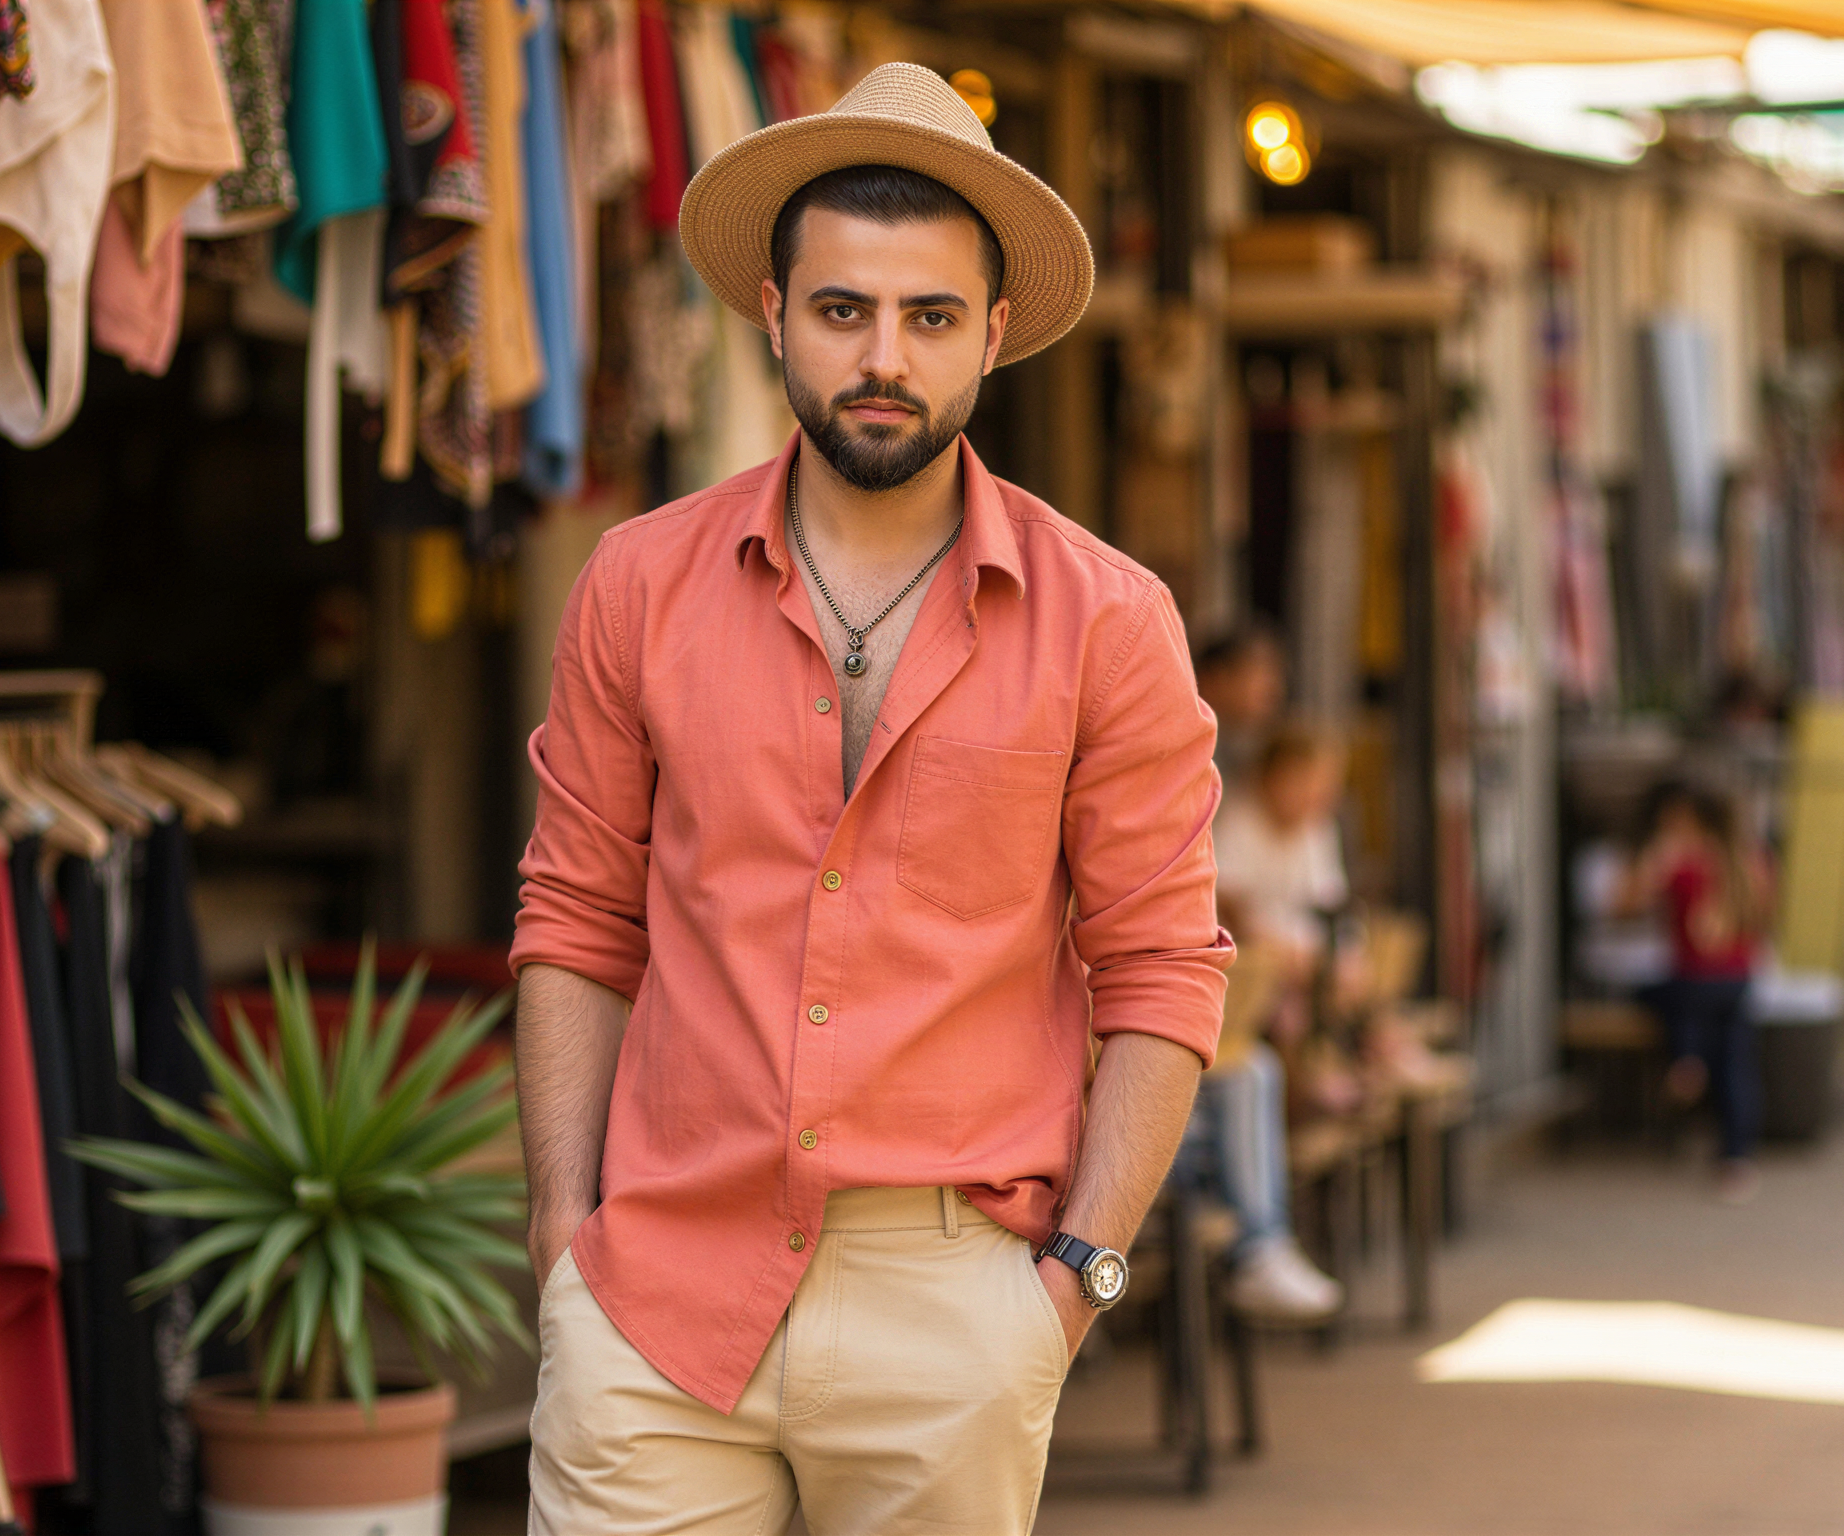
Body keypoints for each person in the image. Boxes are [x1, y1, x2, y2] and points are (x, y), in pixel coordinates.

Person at [509, 64, 1232, 1535]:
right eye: (843, 311)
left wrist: (1072, 1287)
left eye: (929, 316)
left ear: (996, 332)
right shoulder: (637, 586)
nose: (883, 356)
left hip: (954, 1305)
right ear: (773, 315)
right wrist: (562, 1240)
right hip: (656, 1298)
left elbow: (1162, 969)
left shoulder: (1108, 620)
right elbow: (577, 919)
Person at [1195, 720, 1351, 1319]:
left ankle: (1264, 1245)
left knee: (1263, 1056)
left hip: (1289, 980)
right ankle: (1260, 1245)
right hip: (1251, 983)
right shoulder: (1236, 825)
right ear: (1274, 777)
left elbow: (1327, 911)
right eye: (1305, 782)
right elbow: (1235, 916)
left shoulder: (1312, 831)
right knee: (1259, 1056)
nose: (1315, 796)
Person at [1620, 779, 1770, 1204]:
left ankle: (1686, 1057)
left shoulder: (1680, 861)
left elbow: (1623, 905)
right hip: (1737, 979)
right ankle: (1736, 1160)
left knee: (1656, 992)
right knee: (1736, 1062)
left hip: (1691, 981)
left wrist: (1651, 861)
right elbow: (1762, 921)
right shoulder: (1748, 860)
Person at [1195, 623, 1285, 785]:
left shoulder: (1253, 748)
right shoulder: (1183, 742)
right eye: (1260, 673)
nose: (1273, 688)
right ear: (1217, 677)